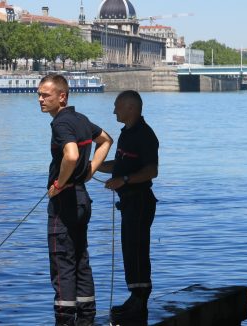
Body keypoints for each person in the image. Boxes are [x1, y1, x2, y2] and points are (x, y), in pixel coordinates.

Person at [39, 74, 113, 326]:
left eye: (45, 95)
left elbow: (70, 155)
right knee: (80, 258)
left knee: (62, 262)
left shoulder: (61, 123)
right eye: (39, 94)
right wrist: (89, 170)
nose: (40, 99)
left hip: (66, 200)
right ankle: (86, 318)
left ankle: (64, 320)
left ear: (62, 96)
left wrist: (59, 184)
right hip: (82, 198)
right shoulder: (80, 119)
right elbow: (106, 140)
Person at [99, 90, 159, 325]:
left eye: (117, 106)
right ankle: (134, 296)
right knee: (129, 250)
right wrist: (92, 167)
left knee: (137, 250)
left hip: (140, 201)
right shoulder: (126, 134)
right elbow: (120, 164)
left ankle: (140, 300)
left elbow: (151, 171)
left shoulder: (145, 135)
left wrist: (123, 181)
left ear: (131, 108)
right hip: (129, 202)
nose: (114, 111)